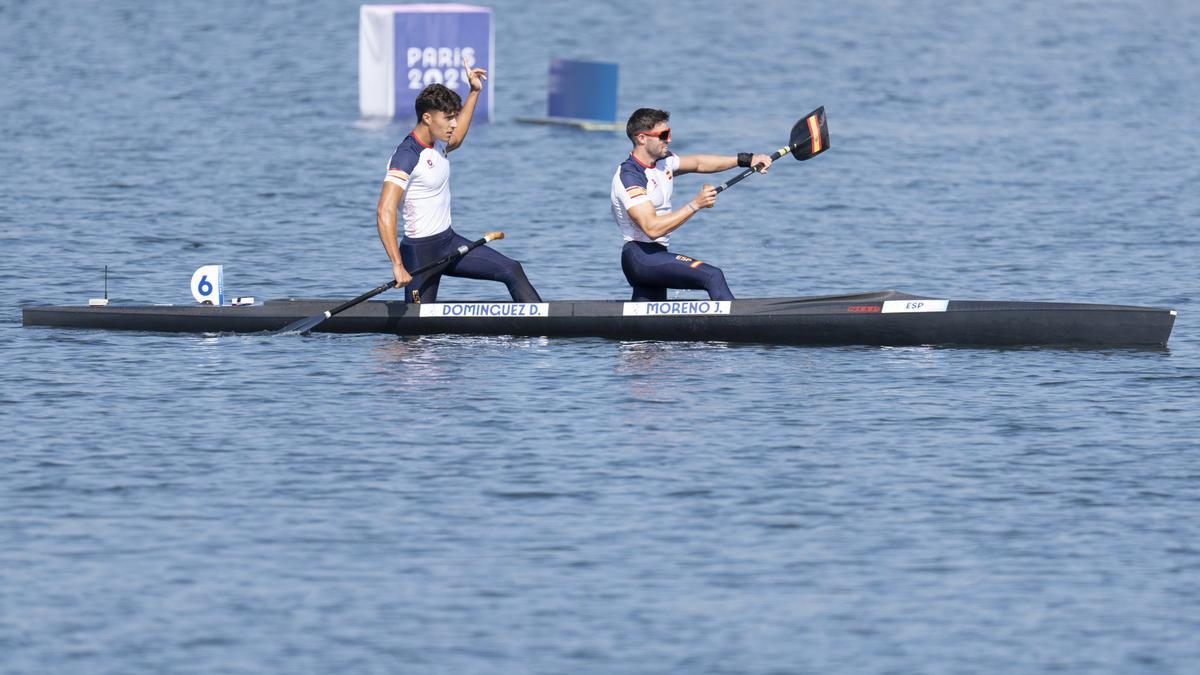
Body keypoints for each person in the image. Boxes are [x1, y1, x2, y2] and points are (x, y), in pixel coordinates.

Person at [376, 68, 541, 304]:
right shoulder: (406, 156)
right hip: (420, 254)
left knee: (511, 269)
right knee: (417, 334)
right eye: (448, 118)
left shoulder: (438, 144)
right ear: (427, 118)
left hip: (449, 243)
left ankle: (543, 331)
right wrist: (397, 265)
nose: (453, 123)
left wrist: (474, 91)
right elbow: (385, 210)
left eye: (455, 116)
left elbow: (458, 137)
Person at [609, 108, 772, 301]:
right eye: (663, 135)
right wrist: (696, 204)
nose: (668, 140)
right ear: (642, 138)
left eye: (669, 134)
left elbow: (698, 163)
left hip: (655, 256)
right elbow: (652, 228)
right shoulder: (630, 177)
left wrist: (745, 159)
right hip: (641, 257)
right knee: (713, 276)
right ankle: (744, 330)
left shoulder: (663, 161)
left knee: (646, 328)